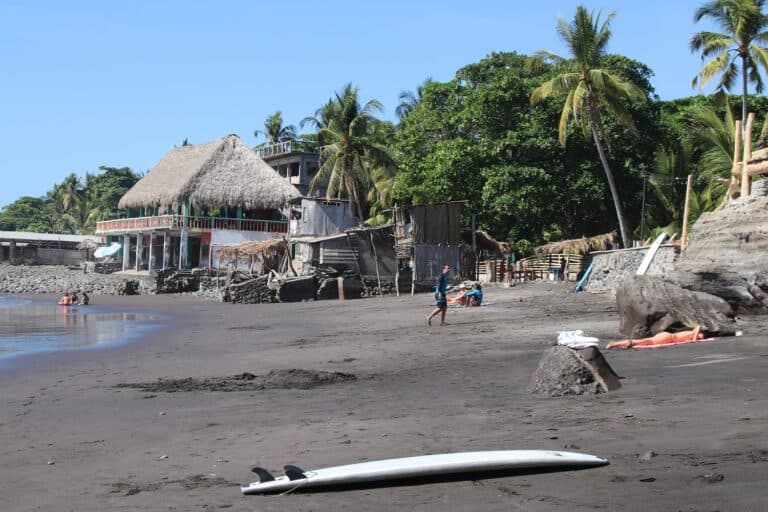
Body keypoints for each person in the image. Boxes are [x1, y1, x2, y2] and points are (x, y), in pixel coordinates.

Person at [606, 325, 703, 349]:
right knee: (644, 341)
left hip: (667, 338)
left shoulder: (692, 335)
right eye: (701, 336)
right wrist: (695, 338)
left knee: (644, 341)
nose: (700, 337)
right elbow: (698, 326)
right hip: (667, 337)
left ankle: (617, 344)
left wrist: (695, 338)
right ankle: (614, 343)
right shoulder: (693, 334)